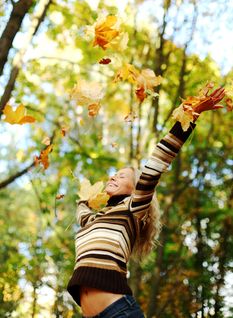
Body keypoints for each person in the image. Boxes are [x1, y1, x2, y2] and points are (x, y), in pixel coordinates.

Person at [67, 87, 225, 318]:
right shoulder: (92, 220)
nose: (113, 177)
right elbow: (82, 206)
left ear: (135, 189)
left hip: (119, 312)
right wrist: (88, 195)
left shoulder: (132, 209)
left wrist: (190, 116)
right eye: (113, 174)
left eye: (122, 176)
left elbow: (157, 163)